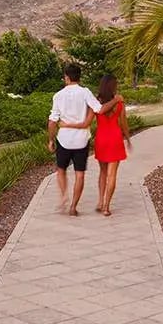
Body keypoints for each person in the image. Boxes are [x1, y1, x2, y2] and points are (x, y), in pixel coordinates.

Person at [47, 64, 120, 216]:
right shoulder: (85, 92)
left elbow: (52, 121)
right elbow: (99, 109)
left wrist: (51, 140)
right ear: (79, 77)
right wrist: (116, 100)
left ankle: (63, 196)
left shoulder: (58, 95)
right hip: (81, 140)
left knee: (61, 170)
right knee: (80, 174)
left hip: (64, 139)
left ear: (66, 77)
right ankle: (73, 206)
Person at [61, 74, 131, 216]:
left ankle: (100, 201)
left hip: (102, 138)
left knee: (103, 172)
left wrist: (67, 124)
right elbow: (123, 123)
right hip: (115, 139)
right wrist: (128, 139)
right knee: (112, 174)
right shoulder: (119, 102)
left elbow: (87, 122)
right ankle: (106, 206)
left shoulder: (95, 102)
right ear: (113, 86)